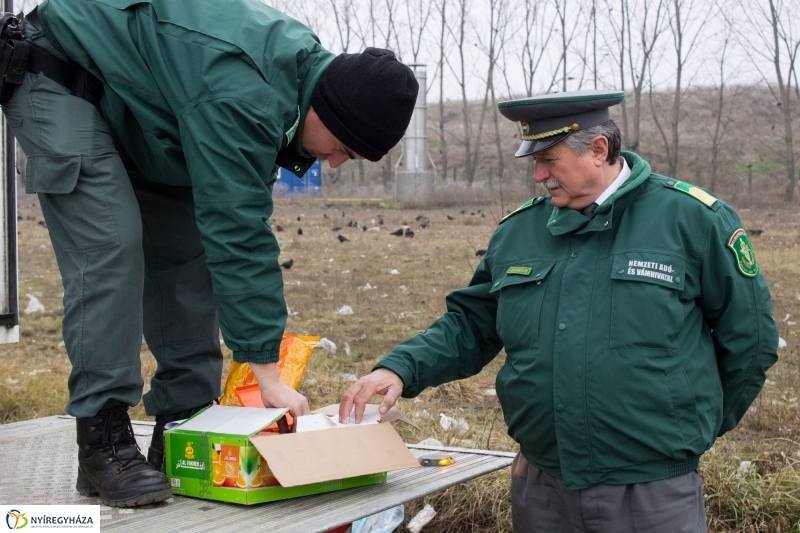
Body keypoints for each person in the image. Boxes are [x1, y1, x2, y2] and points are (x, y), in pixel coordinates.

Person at [0, 0, 418, 508]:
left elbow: (221, 227)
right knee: (111, 244)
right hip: (61, 72)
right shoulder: (243, 92)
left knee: (185, 252)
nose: (331, 162)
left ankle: (184, 421)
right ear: (326, 110)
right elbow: (238, 229)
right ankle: (103, 438)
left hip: (146, 107)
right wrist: (268, 374)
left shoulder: (293, 85)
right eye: (343, 149)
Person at [340, 90, 778, 532]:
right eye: (534, 161)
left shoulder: (692, 219)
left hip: (652, 493)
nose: (538, 175)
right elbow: (471, 325)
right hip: (542, 489)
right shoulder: (518, 232)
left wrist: (687, 430)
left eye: (549, 159)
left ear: (599, 149)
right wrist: (400, 369)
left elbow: (752, 342)